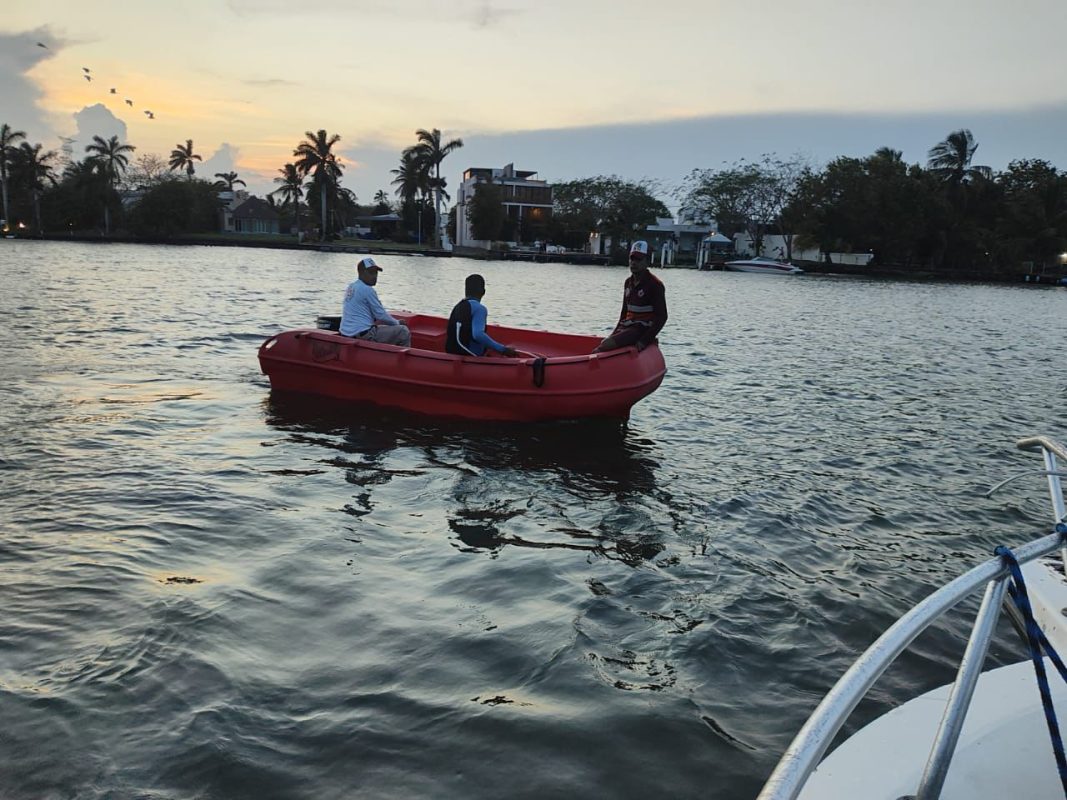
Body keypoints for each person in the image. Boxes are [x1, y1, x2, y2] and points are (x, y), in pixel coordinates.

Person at [593, 240, 667, 353]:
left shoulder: (655, 285)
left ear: (647, 262)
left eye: (638, 259)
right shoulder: (628, 283)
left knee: (604, 346)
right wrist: (614, 333)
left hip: (641, 329)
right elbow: (624, 313)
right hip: (628, 327)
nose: (634, 263)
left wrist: (644, 341)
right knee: (605, 342)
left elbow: (662, 317)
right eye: (632, 258)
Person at [340, 256, 411, 347]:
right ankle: (403, 360)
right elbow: (380, 314)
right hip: (363, 335)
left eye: (376, 273)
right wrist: (397, 322)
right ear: (362, 273)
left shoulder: (351, 287)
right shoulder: (367, 289)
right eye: (371, 273)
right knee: (403, 331)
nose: (375, 276)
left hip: (347, 333)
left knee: (383, 327)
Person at [445, 274, 517, 357]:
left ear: (465, 290)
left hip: (452, 353)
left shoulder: (458, 306)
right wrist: (503, 350)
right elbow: (478, 335)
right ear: (483, 292)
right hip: (470, 355)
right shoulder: (480, 309)